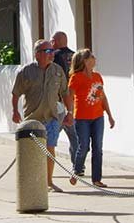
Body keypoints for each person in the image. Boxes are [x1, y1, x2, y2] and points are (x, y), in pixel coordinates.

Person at [11, 40, 73, 193]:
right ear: (37, 54)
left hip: (51, 118)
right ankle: (31, 183)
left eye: (52, 51)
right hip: (32, 120)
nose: (52, 54)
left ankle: (49, 182)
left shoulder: (57, 71)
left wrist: (70, 112)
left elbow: (65, 93)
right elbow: (15, 93)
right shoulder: (26, 72)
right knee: (32, 153)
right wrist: (15, 111)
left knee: (50, 149)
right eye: (47, 51)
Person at [67, 49, 115, 187]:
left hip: (98, 117)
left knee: (98, 148)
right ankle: (76, 171)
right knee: (83, 147)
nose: (94, 59)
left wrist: (110, 115)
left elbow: (102, 97)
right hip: (82, 118)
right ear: (85, 61)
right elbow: (70, 97)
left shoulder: (98, 77)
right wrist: (69, 113)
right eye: (92, 57)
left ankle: (96, 179)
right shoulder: (76, 78)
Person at [50, 31, 79, 168]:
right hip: (74, 101)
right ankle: (78, 165)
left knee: (52, 134)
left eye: (52, 41)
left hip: (60, 101)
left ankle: (46, 164)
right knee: (74, 136)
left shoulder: (54, 56)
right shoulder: (75, 57)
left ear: (55, 41)